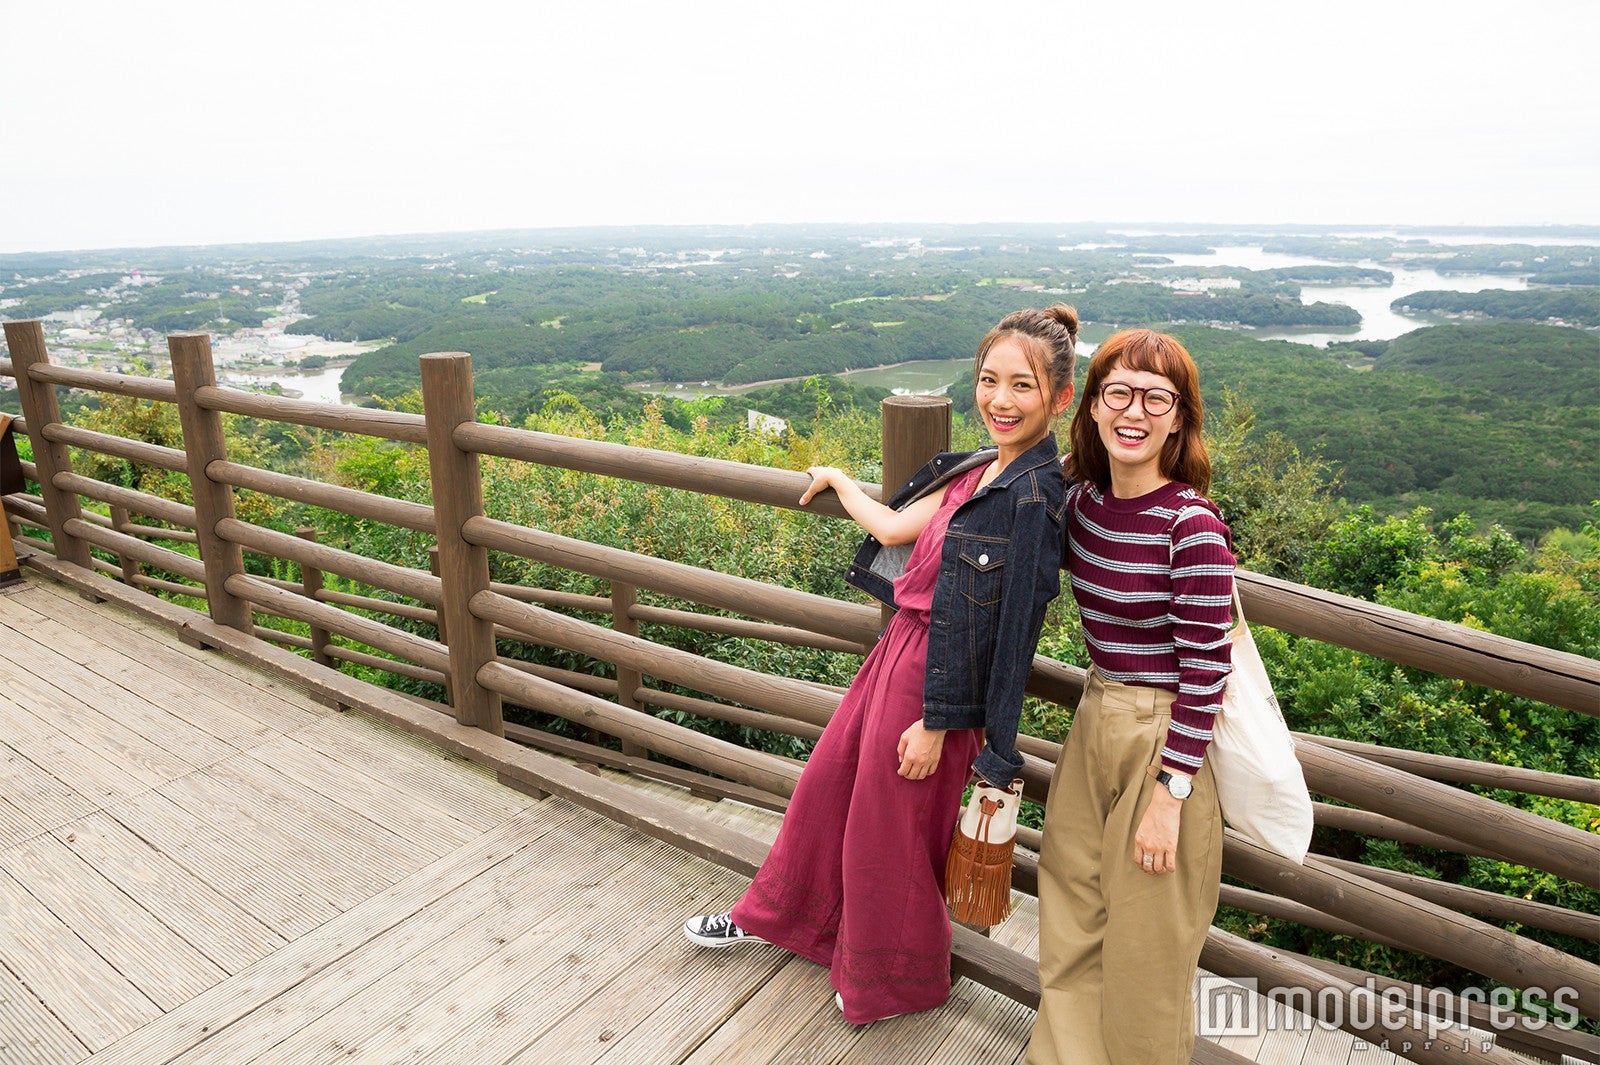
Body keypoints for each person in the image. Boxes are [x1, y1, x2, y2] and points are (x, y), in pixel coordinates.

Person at [683, 306, 1080, 1025]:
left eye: (1022, 386)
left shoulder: (1034, 499)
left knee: (886, 828)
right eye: (989, 379)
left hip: (938, 681)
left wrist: (948, 726)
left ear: (1059, 398)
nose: (1000, 399)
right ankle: (777, 916)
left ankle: (887, 978)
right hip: (896, 653)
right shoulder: (977, 468)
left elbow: (1014, 636)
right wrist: (839, 476)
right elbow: (897, 526)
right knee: (830, 787)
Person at [1027, 329, 1236, 1064]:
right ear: (1091, 406)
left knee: (1147, 955)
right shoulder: (1082, 503)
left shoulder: (1191, 525)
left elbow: (1209, 669)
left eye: (1157, 397)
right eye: (1117, 391)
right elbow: (997, 502)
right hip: (1095, 713)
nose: (1134, 411)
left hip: (1165, 734)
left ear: (1179, 417)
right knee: (1070, 916)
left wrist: (1169, 796)